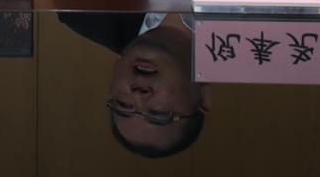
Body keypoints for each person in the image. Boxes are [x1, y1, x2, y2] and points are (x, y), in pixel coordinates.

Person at [61, 12, 210, 158]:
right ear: (203, 97)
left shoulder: (81, 12)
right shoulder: (224, 33)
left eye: (124, 104)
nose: (138, 95)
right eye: (158, 114)